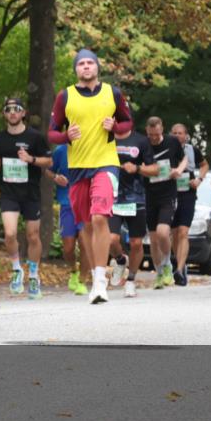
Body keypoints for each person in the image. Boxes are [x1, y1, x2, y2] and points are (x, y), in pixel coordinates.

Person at [48, 48, 133, 305]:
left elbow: (128, 122)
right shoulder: (65, 96)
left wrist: (115, 127)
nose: (86, 67)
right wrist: (65, 137)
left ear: (97, 67)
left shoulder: (113, 93)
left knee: (99, 216)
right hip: (77, 167)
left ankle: (99, 282)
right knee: (85, 224)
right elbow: (51, 133)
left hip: (106, 164)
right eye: (81, 64)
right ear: (76, 69)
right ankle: (103, 271)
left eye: (90, 63)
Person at [0, 97, 52, 299]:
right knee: (9, 233)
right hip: (9, 193)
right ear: (4, 114)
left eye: (17, 109)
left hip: (31, 194)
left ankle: (33, 274)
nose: (12, 113)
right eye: (8, 110)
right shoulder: (0, 138)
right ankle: (17, 269)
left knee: (33, 235)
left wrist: (31, 159)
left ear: (23, 113)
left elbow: (48, 161)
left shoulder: (35, 137)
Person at [108, 124, 158, 298]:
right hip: (112, 197)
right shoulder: (105, 137)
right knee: (111, 239)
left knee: (136, 243)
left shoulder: (141, 141)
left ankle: (130, 280)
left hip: (135, 199)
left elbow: (155, 169)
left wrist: (136, 168)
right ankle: (121, 260)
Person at [144, 117, 187, 289]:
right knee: (154, 239)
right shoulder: (143, 145)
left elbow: (184, 160)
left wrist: (179, 170)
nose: (154, 138)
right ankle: (159, 273)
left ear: (162, 130)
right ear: (147, 131)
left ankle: (168, 264)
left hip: (168, 195)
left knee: (163, 233)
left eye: (157, 134)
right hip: (149, 195)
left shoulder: (172, 142)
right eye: (151, 135)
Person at [47, 144, 91, 295]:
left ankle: (82, 281)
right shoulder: (61, 150)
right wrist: (55, 177)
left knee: (85, 244)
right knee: (68, 248)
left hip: (87, 203)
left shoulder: (91, 147)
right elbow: (48, 170)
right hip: (67, 203)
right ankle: (74, 271)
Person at [170, 123, 209, 286]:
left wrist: (199, 179)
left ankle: (180, 269)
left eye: (181, 133)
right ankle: (177, 260)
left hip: (188, 193)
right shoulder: (165, 148)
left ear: (186, 136)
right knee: (173, 233)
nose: (178, 135)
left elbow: (205, 165)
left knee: (183, 232)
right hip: (170, 193)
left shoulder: (193, 150)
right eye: (175, 133)